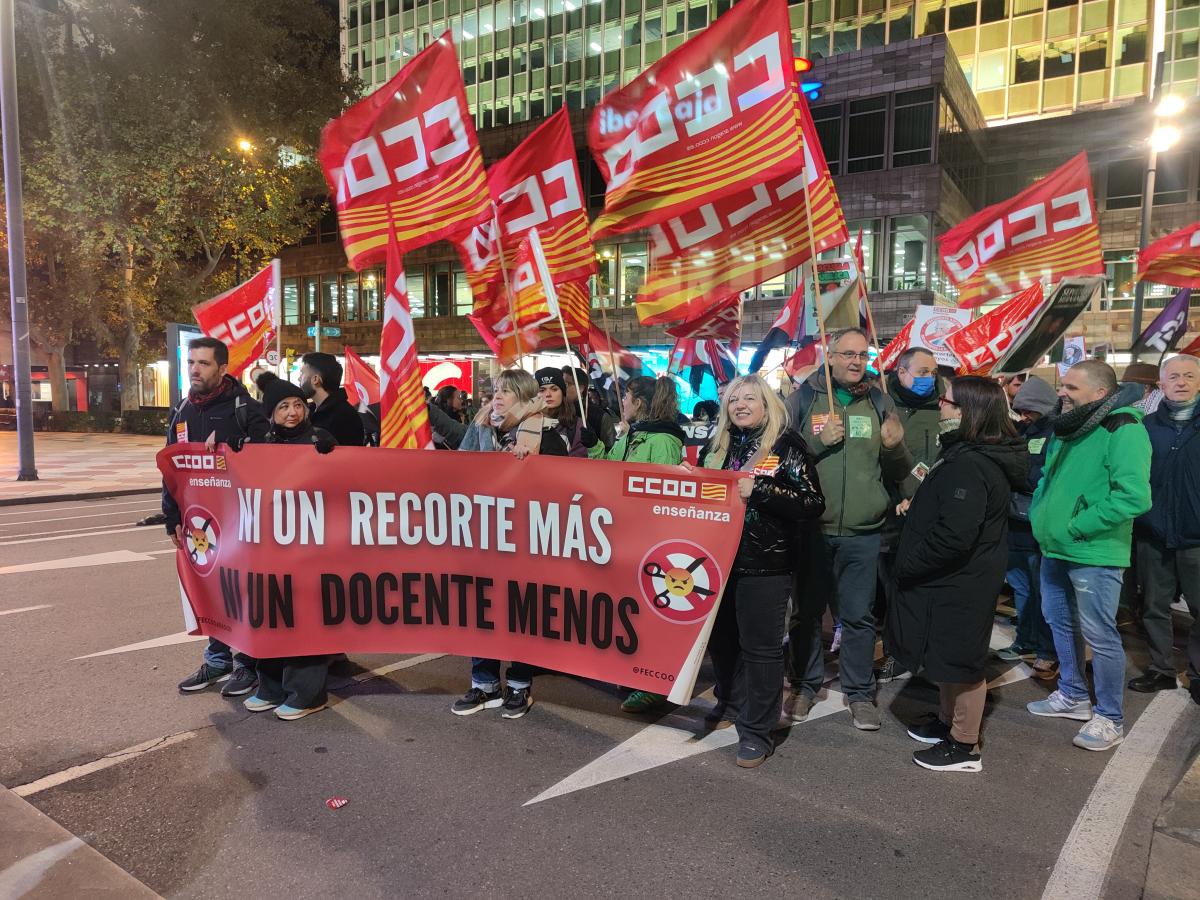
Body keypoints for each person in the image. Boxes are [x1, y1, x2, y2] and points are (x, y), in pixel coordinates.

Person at [889, 377, 1028, 772]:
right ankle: (948, 722)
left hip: (961, 580)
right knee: (947, 656)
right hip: (955, 578)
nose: (941, 406)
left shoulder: (970, 462)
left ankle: (964, 745)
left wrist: (909, 564)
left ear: (968, 411)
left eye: (947, 401)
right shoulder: (965, 453)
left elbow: (955, 535)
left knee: (962, 661)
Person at [784, 328, 912, 731]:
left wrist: (895, 446)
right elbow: (781, 460)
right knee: (806, 615)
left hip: (863, 531)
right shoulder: (802, 399)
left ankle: (859, 693)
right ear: (831, 356)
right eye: (848, 354)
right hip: (811, 529)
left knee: (858, 617)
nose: (857, 361)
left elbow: (897, 472)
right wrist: (817, 442)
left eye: (863, 354)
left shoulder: (879, 401)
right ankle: (804, 685)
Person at [699, 375, 825, 767]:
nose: (740, 405)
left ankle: (757, 731)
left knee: (761, 650)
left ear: (766, 404)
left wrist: (763, 491)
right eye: (733, 399)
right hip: (717, 562)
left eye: (749, 398)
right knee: (722, 643)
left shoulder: (787, 446)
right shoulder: (716, 446)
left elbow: (812, 502)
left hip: (765, 564)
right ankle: (732, 703)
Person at [1027, 360, 1151, 751]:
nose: (1061, 393)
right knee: (1059, 622)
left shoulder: (1124, 428)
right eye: (1062, 385)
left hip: (1094, 550)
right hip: (1056, 547)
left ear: (1100, 393)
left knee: (1100, 635)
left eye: (1071, 388)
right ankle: (1073, 696)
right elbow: (1047, 477)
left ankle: (1110, 717)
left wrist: (1078, 525)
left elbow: (1134, 496)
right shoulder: (1069, 424)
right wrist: (1039, 517)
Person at [452, 369, 568, 719]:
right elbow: (457, 469)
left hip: (525, 544)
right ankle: (484, 684)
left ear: (526, 397)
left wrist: (530, 467)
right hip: (483, 539)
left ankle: (519, 685)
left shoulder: (547, 437)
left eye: (508, 391)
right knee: (482, 609)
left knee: (520, 612)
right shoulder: (482, 429)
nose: (498, 397)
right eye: (497, 390)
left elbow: (564, 490)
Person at [167, 337, 270, 695]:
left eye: (204, 363)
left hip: (242, 525)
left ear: (223, 369)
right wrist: (171, 517)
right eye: (191, 362)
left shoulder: (246, 410)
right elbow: (172, 467)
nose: (195, 369)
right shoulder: (182, 410)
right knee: (209, 591)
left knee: (240, 593)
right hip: (199, 525)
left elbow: (273, 465)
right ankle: (216, 660)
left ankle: (247, 663)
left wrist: (236, 451)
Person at [239, 373, 336, 720]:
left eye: (297, 404)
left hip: (310, 550)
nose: (292, 412)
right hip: (271, 550)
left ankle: (308, 694)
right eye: (283, 407)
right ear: (271, 414)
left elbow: (345, 488)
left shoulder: (321, 440)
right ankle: (271, 686)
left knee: (305, 621)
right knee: (271, 617)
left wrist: (332, 457)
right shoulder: (261, 444)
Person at [608, 375, 687, 713]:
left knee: (651, 610)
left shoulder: (664, 441)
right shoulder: (634, 434)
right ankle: (636, 673)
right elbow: (607, 472)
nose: (621, 403)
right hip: (624, 533)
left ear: (638, 402)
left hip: (649, 538)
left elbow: (665, 492)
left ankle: (655, 683)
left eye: (625, 397)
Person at [1129, 355, 1200, 705]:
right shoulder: (1145, 425)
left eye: (1189, 376)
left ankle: (1199, 675)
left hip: (1196, 535)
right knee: (1154, 606)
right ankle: (1161, 669)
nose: (1182, 382)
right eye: (1174, 377)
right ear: (1161, 385)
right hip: (1153, 533)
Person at [875, 345, 943, 683]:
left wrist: (916, 493)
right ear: (901, 372)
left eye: (932, 372)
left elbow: (943, 457)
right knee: (889, 590)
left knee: (920, 588)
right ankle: (893, 651)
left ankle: (919, 650)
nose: (929, 379)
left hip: (928, 511)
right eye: (922, 372)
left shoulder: (944, 406)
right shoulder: (880, 400)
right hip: (886, 513)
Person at [1000, 375, 1060, 681]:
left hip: (1038, 525)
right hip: (1014, 524)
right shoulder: (1021, 431)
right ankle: (1025, 640)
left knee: (1043, 593)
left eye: (1028, 411)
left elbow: (1039, 476)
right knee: (1022, 590)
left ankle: (1048, 651)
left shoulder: (1056, 433)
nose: (1023, 416)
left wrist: (1017, 478)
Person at [299, 352, 366, 447]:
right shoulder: (311, 410)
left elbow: (350, 456)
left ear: (315, 379)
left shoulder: (344, 415)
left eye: (302, 374)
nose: (299, 378)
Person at [565, 367, 617, 452]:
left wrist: (594, 444)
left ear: (581, 388)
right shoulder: (553, 412)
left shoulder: (600, 416)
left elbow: (612, 452)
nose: (562, 388)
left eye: (567, 384)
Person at [432, 384, 467, 449]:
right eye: (458, 397)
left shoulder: (459, 416)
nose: (461, 400)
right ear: (448, 400)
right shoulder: (439, 421)